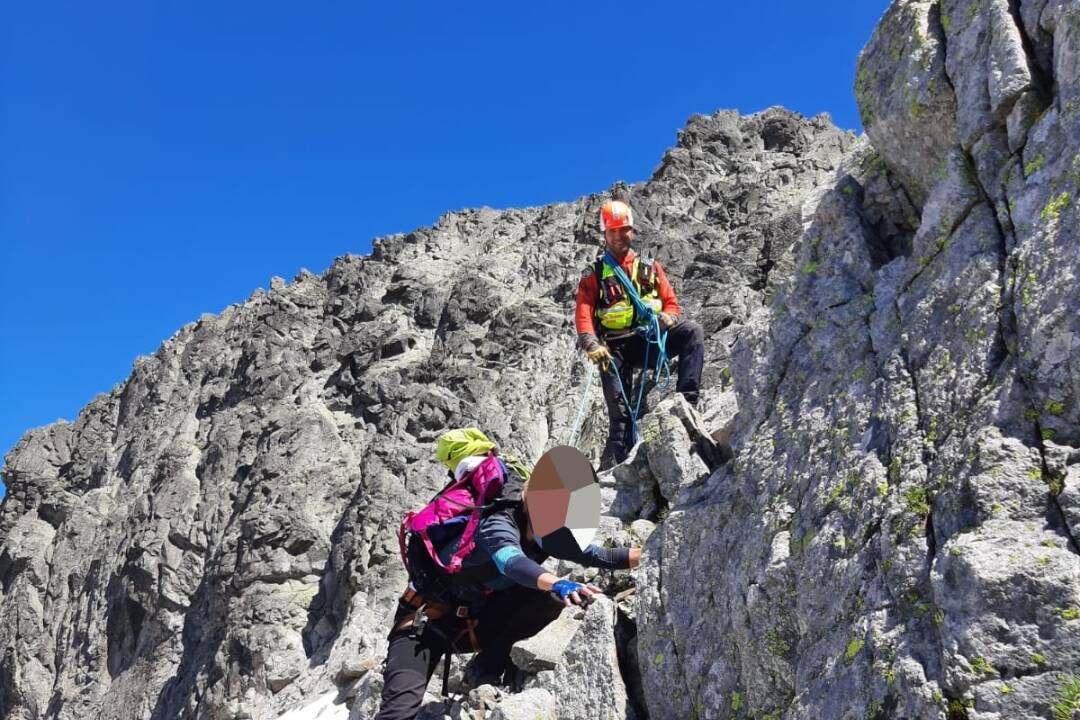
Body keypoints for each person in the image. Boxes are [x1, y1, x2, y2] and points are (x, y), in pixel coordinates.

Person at [374, 431, 641, 720]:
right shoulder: (499, 524)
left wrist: (652, 552)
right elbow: (510, 562)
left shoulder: (548, 531)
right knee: (397, 713)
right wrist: (559, 582)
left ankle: (488, 667)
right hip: (426, 622)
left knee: (549, 597)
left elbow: (597, 555)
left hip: (476, 621)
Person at [574, 198, 705, 466]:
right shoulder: (595, 273)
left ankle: (686, 405)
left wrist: (670, 317)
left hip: (649, 339)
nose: (620, 236)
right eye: (613, 231)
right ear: (605, 234)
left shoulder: (650, 266)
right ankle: (622, 467)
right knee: (619, 414)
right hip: (614, 348)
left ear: (632, 230)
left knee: (692, 332)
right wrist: (590, 344)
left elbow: (671, 302)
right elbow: (584, 311)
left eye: (624, 230)